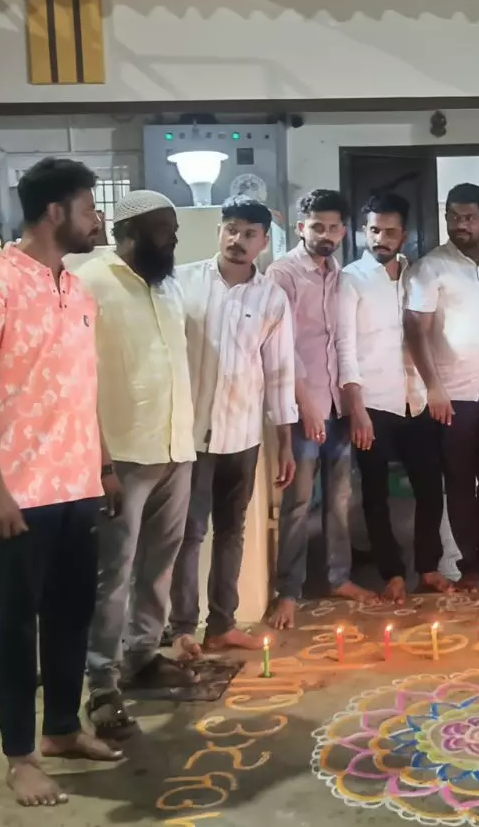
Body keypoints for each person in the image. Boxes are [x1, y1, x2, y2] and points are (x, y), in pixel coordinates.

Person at [0, 157, 123, 807]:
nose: (96, 219)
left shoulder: (78, 291)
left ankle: (62, 729)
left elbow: (83, 388)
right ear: (56, 212)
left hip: (78, 483)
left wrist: (103, 464)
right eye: (89, 208)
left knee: (72, 616)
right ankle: (20, 756)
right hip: (22, 493)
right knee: (18, 628)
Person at [75, 189, 198, 738]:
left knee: (159, 563)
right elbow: (77, 379)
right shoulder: (89, 284)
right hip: (121, 454)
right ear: (130, 232)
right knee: (113, 574)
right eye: (163, 229)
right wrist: (99, 462)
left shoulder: (167, 286)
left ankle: (143, 655)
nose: (174, 238)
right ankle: (101, 683)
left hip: (175, 448)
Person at [167, 196, 297, 657]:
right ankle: (182, 629)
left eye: (249, 234)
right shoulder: (181, 283)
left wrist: (285, 443)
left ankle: (221, 625)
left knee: (231, 531)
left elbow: (279, 373)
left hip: (242, 434)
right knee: (187, 534)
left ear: (263, 242)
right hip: (190, 435)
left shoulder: (272, 297)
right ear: (219, 231)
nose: (237, 240)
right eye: (231, 229)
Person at [266, 189, 376, 630]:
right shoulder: (282, 274)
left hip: (338, 405)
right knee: (297, 502)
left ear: (344, 231)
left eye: (333, 228)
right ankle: (288, 591)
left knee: (340, 498)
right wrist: (306, 405)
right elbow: (281, 348)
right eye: (317, 227)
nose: (325, 235)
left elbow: (345, 344)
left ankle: (338, 578)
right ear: (301, 227)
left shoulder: (341, 277)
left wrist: (354, 404)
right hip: (303, 407)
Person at [405, 183, 479, 592]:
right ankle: (470, 565)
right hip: (453, 394)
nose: (460, 225)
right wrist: (433, 387)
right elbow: (415, 331)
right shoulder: (430, 267)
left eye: (469, 217)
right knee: (458, 482)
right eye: (453, 217)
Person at [339, 193, 454, 602]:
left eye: (390, 231)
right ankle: (392, 573)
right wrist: (356, 410)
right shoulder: (350, 279)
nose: (380, 239)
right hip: (373, 403)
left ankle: (428, 568)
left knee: (430, 487)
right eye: (374, 230)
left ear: (404, 235)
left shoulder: (417, 274)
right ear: (362, 232)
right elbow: (344, 347)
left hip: (416, 399)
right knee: (376, 493)